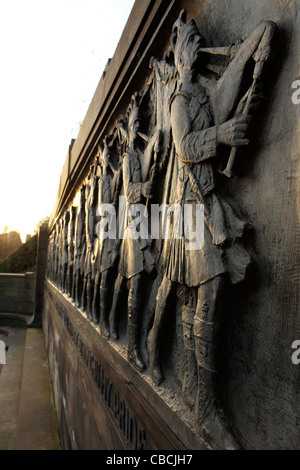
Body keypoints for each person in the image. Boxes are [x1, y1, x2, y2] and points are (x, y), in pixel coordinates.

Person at [147, 10, 276, 449]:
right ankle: (207, 405)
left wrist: (259, 39)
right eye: (190, 41)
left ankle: (193, 390)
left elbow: (228, 92)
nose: (197, 46)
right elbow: (184, 147)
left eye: (199, 40)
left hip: (202, 206)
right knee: (211, 287)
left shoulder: (201, 95)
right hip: (189, 212)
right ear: (180, 55)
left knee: (196, 294)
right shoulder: (180, 99)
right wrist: (223, 133)